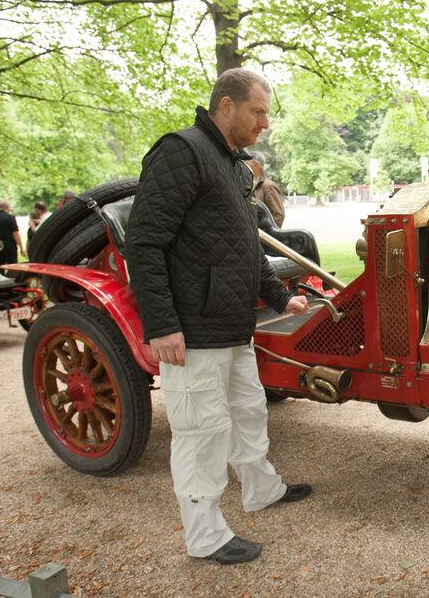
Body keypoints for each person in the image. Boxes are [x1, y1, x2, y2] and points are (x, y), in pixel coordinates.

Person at [126, 68, 312, 565]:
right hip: (193, 327)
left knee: (249, 412)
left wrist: (278, 298)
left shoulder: (228, 163)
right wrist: (162, 325)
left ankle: (262, 489)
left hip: (232, 326)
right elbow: (143, 243)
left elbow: (243, 246)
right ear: (225, 106)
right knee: (201, 431)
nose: (265, 122)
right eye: (258, 111)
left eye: (267, 112)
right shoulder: (181, 152)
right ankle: (204, 535)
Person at [246, 150, 285, 227]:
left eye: (247, 164)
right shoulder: (248, 184)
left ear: (256, 165)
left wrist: (268, 235)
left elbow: (279, 215)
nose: (244, 167)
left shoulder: (268, 186)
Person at [0, 200, 25, 267]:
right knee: (12, 266)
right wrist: (21, 248)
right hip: (10, 246)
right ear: (7, 207)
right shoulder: (10, 218)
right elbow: (15, 233)